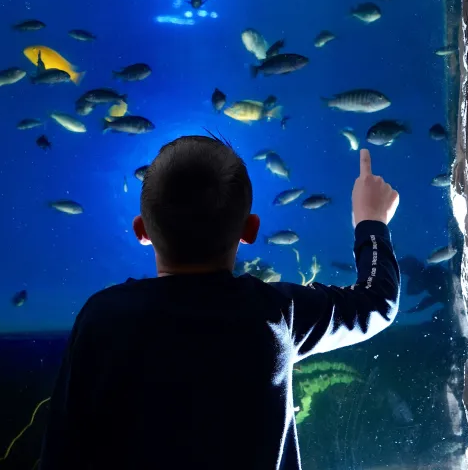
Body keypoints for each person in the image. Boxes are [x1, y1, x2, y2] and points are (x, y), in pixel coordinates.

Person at [39, 135, 401, 470]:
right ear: (251, 229)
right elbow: (376, 303)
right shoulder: (274, 312)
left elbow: (61, 450)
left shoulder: (102, 317)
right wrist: (371, 223)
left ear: (141, 231)